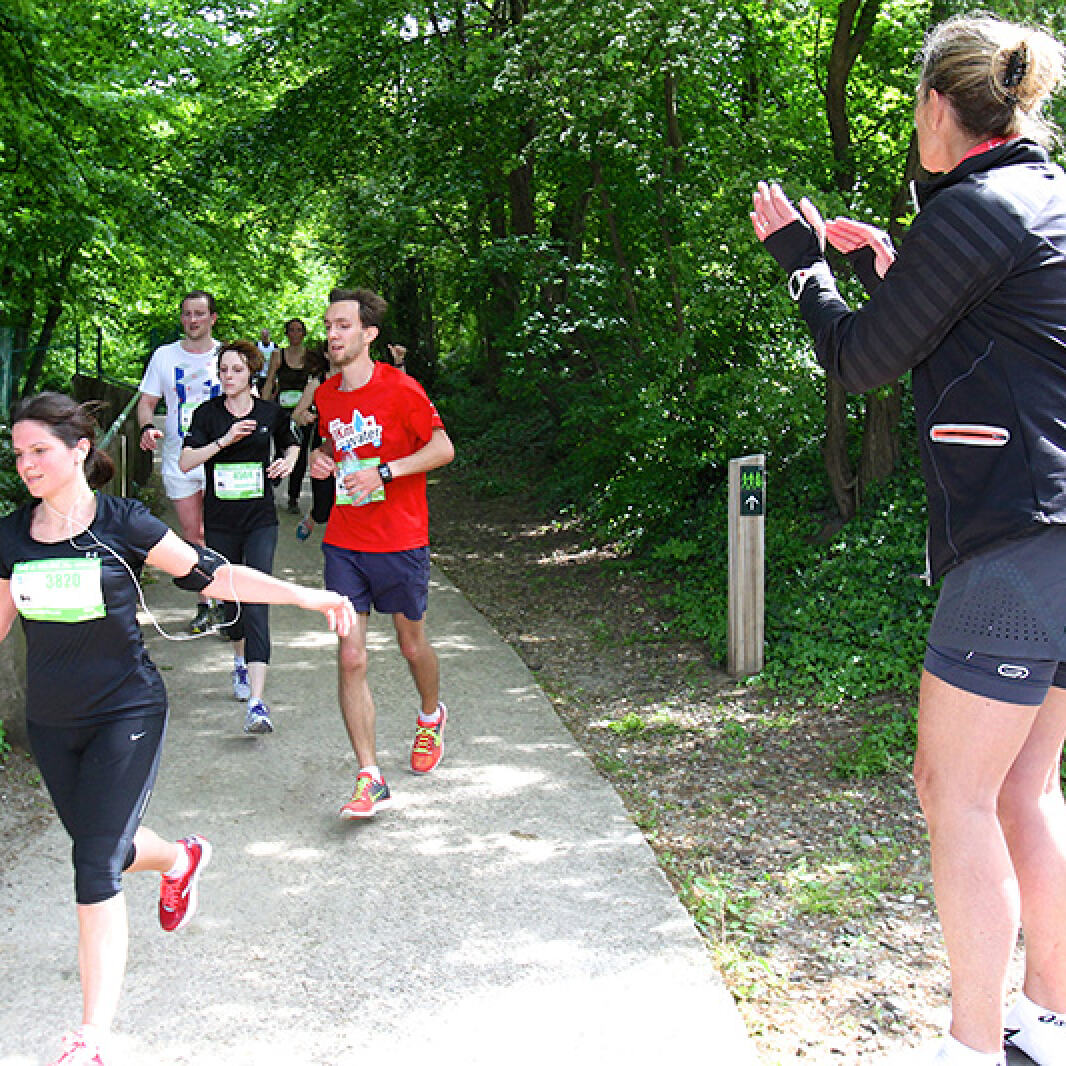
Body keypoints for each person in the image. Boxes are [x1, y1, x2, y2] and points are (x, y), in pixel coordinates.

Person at [751, 15, 1066, 1066]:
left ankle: (974, 1046)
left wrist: (803, 267)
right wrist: (895, 264)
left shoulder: (975, 208)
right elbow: (998, 337)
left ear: (937, 105)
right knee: (1025, 788)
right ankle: (1048, 1022)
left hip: (1018, 539)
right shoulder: (1043, 197)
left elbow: (859, 362)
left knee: (953, 790)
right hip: (1058, 537)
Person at [0, 392, 355, 1066]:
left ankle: (92, 1036)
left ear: (80, 449)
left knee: (93, 864)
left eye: (39, 450)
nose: (27, 464)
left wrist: (306, 596)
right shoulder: (10, 537)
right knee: (107, 849)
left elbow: (213, 577)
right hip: (52, 722)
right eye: (18, 453)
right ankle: (180, 858)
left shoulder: (123, 523)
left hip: (125, 711)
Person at [309, 287, 455, 819]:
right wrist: (322, 461)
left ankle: (430, 715)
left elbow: (443, 448)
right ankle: (369, 776)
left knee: (412, 646)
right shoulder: (327, 396)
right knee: (351, 656)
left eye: (343, 325)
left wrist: (386, 472)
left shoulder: (402, 389)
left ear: (368, 334)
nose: (333, 334)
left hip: (401, 539)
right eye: (329, 325)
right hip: (345, 541)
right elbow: (333, 446)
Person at [180, 340, 299, 734]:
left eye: (236, 369)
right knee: (232, 602)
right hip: (221, 523)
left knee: (257, 601)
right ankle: (239, 661)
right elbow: (186, 461)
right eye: (223, 370)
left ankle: (257, 704)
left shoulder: (269, 412)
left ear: (252, 373)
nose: (228, 376)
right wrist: (223, 441)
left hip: (260, 520)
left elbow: (292, 441)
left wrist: (287, 461)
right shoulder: (207, 414)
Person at [137, 290, 222, 635]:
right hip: (179, 458)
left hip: (219, 458)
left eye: (199, 313)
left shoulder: (225, 355)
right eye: (187, 314)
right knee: (193, 534)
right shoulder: (164, 356)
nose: (192, 320)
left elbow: (248, 399)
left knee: (220, 532)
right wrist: (146, 427)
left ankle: (227, 601)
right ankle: (206, 603)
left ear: (212, 318)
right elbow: (147, 402)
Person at [262, 317, 313, 514]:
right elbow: (269, 381)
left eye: (299, 330)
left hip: (302, 412)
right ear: (287, 333)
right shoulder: (278, 355)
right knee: (281, 451)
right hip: (282, 412)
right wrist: (263, 407)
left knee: (300, 454)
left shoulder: (310, 356)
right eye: (291, 330)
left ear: (304, 333)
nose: (295, 334)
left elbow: (317, 382)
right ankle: (272, 485)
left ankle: (293, 497)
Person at [292, 341, 337, 542]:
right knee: (323, 504)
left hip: (353, 445)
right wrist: (305, 416)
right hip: (324, 446)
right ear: (326, 355)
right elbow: (297, 414)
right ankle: (313, 516)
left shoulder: (356, 380)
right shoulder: (318, 383)